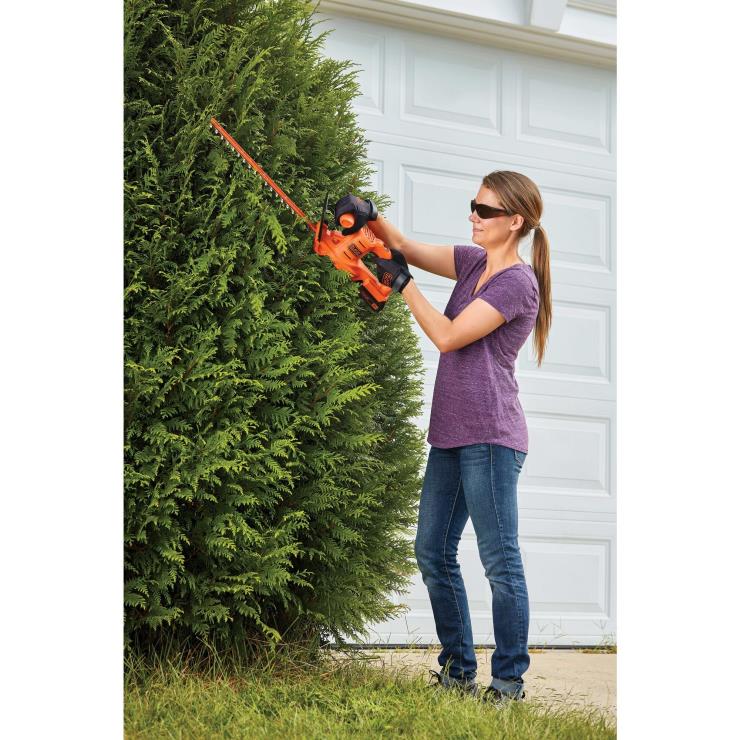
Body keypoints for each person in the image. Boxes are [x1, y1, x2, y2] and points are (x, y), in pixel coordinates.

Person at [335, 171, 552, 703]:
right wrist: (369, 216)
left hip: (492, 436)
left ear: (515, 222)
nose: (474, 216)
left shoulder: (517, 283)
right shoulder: (473, 262)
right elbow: (404, 246)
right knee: (432, 551)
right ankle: (458, 673)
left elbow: (450, 336)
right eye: (473, 205)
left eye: (486, 210)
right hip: (452, 432)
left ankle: (508, 683)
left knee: (499, 561)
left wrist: (404, 285)